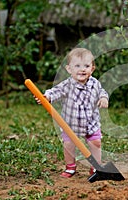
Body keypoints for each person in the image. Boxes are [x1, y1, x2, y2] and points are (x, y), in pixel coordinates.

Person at [36, 47, 108, 178]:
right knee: (69, 144)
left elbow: (102, 92)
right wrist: (46, 97)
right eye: (77, 66)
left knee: (96, 143)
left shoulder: (95, 84)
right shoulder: (67, 85)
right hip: (70, 124)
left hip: (91, 123)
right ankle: (70, 167)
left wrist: (103, 98)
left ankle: (96, 167)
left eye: (86, 66)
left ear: (92, 69)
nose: (82, 69)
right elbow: (55, 91)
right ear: (69, 69)